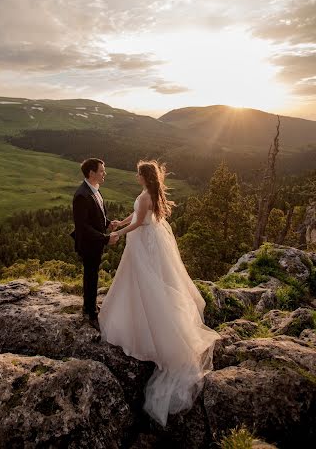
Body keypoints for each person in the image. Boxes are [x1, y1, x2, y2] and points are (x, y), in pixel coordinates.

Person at [98, 160, 221, 427]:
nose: (135, 176)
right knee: (144, 282)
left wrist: (118, 232)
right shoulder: (150, 194)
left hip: (142, 244)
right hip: (148, 242)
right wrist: (122, 220)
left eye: (138, 173)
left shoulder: (145, 196)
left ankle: (144, 325)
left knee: (144, 283)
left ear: (144, 176)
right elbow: (138, 215)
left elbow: (140, 221)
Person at [71, 157, 118, 330]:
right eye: (101, 171)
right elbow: (83, 227)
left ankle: (89, 306)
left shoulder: (94, 189)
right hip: (88, 243)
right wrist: (106, 238)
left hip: (95, 242)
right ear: (92, 173)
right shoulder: (81, 196)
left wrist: (108, 223)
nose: (104, 173)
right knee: (90, 276)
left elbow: (97, 215)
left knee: (92, 275)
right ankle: (90, 312)